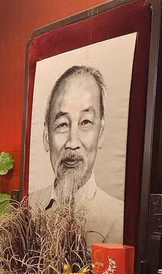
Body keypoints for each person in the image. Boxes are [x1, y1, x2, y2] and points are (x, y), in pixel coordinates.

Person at [30, 65, 124, 245]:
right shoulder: (30, 206)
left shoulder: (118, 217)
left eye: (86, 122)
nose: (72, 143)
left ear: (101, 134)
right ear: (46, 136)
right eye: (62, 124)